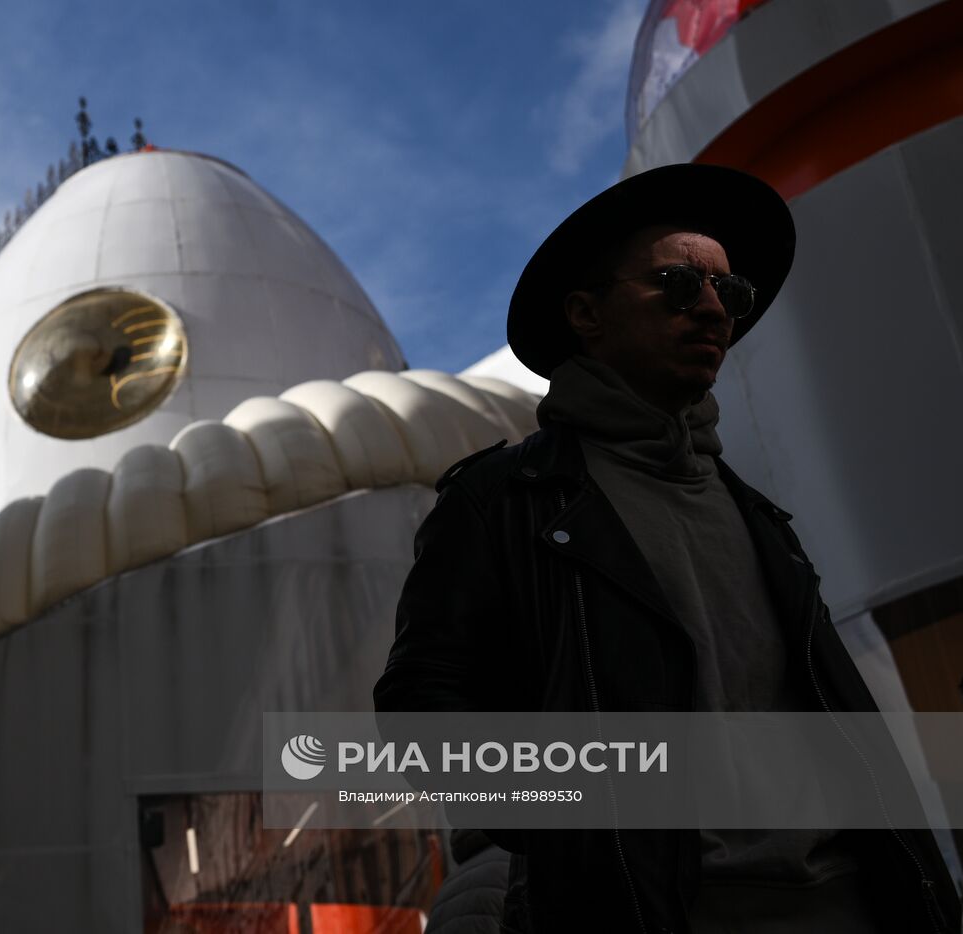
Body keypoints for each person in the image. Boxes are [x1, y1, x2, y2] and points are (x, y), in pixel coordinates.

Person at [373, 164, 961, 933]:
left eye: (732, 293)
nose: (715, 310)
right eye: (680, 285)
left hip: (851, 904)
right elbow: (423, 709)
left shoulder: (759, 518)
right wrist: (577, 827)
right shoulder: (503, 500)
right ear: (587, 313)